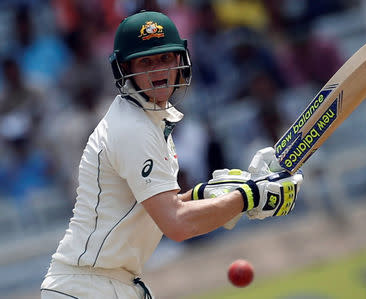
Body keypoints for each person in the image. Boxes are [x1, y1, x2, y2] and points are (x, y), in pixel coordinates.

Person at [40, 11, 303, 299]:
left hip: (105, 283)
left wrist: (209, 194)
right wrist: (250, 196)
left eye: (165, 58)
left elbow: (155, 209)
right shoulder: (133, 129)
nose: (158, 71)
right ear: (124, 69)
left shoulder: (148, 119)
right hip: (89, 287)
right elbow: (176, 224)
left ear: (180, 61)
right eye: (146, 62)